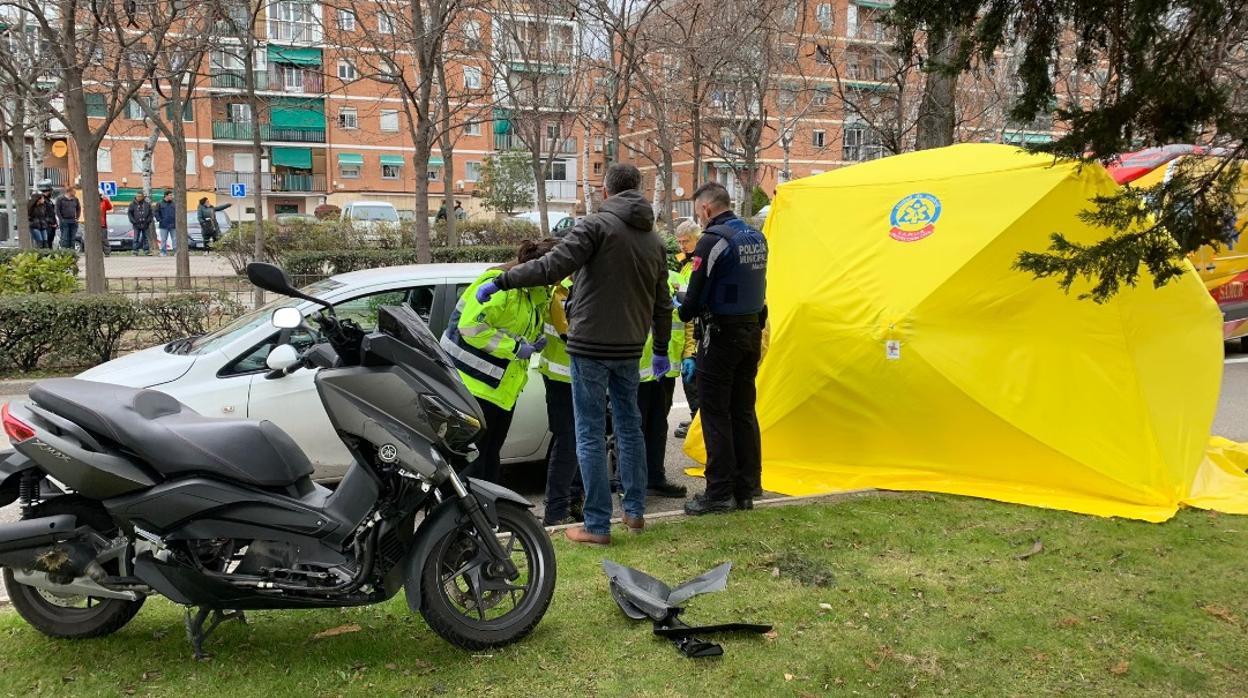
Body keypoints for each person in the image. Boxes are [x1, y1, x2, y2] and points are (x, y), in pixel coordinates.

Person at [477, 163, 671, 546]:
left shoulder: (596, 226)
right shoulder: (654, 240)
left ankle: (597, 525)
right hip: (631, 347)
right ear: (638, 190)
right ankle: (634, 512)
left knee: (590, 433)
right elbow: (662, 303)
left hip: (590, 346)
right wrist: (661, 349)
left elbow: (552, 266)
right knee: (630, 428)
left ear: (605, 189)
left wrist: (503, 279)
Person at [679, 182, 768, 516]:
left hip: (721, 335)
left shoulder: (712, 242)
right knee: (743, 410)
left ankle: (718, 492)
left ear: (705, 209)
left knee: (716, 412)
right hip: (751, 332)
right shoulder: (756, 237)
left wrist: (680, 307)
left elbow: (694, 298)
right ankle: (747, 486)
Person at [441, 239, 557, 484]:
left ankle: (484, 519)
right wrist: (515, 348)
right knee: (471, 465)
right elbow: (470, 326)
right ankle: (465, 519)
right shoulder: (500, 287)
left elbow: (516, 324)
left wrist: (534, 340)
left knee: (487, 460)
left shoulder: (532, 292)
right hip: (473, 389)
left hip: (499, 391)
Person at [537, 277, 585, 526]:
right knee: (568, 442)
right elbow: (570, 332)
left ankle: (574, 501)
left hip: (576, 376)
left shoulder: (581, 283)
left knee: (579, 442)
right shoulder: (560, 291)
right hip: (561, 377)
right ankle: (555, 511)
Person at [637, 269, 689, 498]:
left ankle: (655, 477)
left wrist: (689, 354)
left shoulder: (676, 278)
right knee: (632, 429)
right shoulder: (633, 274)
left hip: (664, 369)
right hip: (637, 368)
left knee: (658, 427)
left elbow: (687, 319)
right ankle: (630, 483)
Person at [673, 220, 702, 439]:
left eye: (687, 241)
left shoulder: (698, 263)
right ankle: (696, 419)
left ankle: (698, 424)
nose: (683, 246)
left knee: (694, 382)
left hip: (694, 328)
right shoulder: (686, 263)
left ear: (697, 238)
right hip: (685, 327)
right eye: (680, 242)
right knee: (689, 381)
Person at [128, 191, 154, 255]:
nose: (138, 197)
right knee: (136, 238)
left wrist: (148, 221)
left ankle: (146, 251)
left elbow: (151, 214)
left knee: (146, 238)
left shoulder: (147, 204)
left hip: (145, 224)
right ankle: (135, 251)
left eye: (140, 196)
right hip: (136, 224)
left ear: (143, 197)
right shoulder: (132, 204)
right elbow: (130, 214)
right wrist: (133, 221)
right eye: (137, 196)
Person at [155, 191, 177, 255]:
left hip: (173, 224)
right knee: (163, 239)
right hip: (163, 225)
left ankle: (176, 252)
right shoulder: (159, 203)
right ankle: (163, 252)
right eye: (170, 195)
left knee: (175, 239)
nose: (172, 196)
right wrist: (160, 220)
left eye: (172, 195)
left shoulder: (174, 203)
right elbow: (156, 212)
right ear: (166, 196)